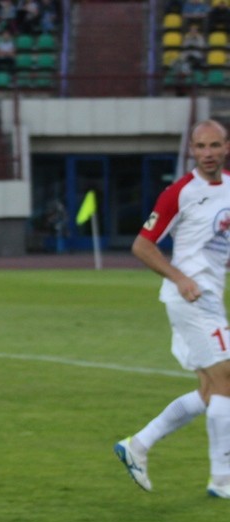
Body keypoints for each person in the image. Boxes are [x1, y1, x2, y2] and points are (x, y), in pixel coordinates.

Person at [116, 120, 230, 498]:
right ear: (191, 150)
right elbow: (142, 245)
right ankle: (222, 480)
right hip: (189, 299)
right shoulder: (178, 193)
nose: (208, 153)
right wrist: (179, 277)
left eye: (215, 145)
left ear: (227, 147)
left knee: (210, 390)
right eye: (201, 146)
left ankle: (138, 444)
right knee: (226, 381)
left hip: (211, 298)